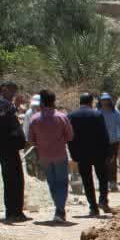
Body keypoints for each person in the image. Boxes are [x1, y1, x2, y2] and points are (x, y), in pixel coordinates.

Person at [26, 89, 74, 224]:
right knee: (62, 183)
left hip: (44, 156)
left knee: (52, 182)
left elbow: (31, 140)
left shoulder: (34, 119)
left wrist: (41, 143)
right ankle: (60, 210)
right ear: (54, 101)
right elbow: (70, 136)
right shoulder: (62, 117)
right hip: (59, 154)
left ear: (41, 102)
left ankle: (58, 209)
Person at [68, 93, 114, 217]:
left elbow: (70, 137)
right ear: (91, 102)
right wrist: (109, 152)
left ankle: (93, 208)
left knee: (87, 181)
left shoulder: (72, 115)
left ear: (80, 101)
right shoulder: (97, 114)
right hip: (98, 152)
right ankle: (103, 200)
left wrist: (73, 153)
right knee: (103, 178)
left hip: (81, 154)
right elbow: (104, 134)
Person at [0, 80, 29, 222]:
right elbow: (2, 118)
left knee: (16, 179)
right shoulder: (0, 103)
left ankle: (16, 211)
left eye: (15, 90)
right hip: (5, 148)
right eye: (11, 90)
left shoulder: (5, 104)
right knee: (12, 180)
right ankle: (12, 212)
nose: (13, 93)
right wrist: (15, 106)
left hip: (9, 148)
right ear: (4, 89)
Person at [97, 93, 120, 188]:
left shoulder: (115, 112)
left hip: (113, 141)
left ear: (109, 101)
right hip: (101, 141)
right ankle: (105, 181)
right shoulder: (97, 111)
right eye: (103, 100)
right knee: (103, 162)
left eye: (106, 100)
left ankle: (113, 182)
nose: (104, 102)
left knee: (112, 161)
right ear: (100, 101)